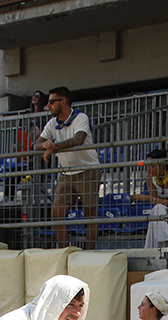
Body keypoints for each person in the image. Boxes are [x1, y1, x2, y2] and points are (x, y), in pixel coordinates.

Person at [40, 87, 101, 249]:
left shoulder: (80, 117)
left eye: (52, 102)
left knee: (91, 216)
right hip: (66, 173)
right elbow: (36, 143)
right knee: (57, 214)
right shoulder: (52, 123)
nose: (48, 105)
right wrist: (45, 144)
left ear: (63, 102)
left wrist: (53, 147)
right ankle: (63, 251)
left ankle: (90, 253)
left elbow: (78, 139)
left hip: (88, 170)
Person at [133, 148, 168, 250]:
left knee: (157, 210)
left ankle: (154, 250)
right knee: (157, 209)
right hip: (163, 213)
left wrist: (147, 198)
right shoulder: (149, 177)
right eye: (148, 166)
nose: (149, 169)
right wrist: (155, 200)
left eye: (152, 166)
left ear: (162, 165)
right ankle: (167, 244)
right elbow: (156, 202)